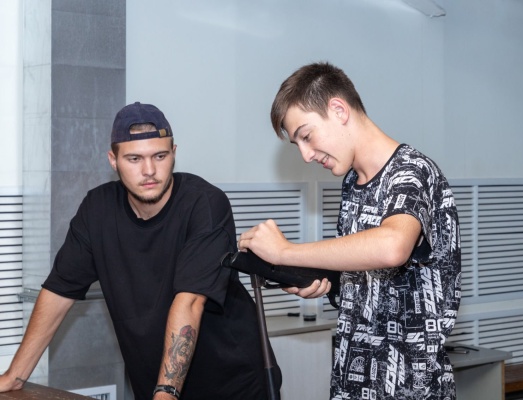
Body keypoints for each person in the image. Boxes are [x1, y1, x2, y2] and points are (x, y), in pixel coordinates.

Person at [0, 102, 281, 400]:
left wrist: (166, 393)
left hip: (233, 384)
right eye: (134, 159)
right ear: (113, 160)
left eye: (159, 156)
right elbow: (58, 292)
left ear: (174, 153)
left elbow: (190, 301)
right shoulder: (97, 210)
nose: (149, 171)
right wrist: (14, 375)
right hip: (156, 385)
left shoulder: (204, 204)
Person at [238, 62, 461, 400]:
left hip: (409, 388)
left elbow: (392, 247)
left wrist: (286, 251)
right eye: (298, 144)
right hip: (353, 381)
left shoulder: (412, 172)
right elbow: (375, 277)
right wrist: (322, 281)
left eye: (306, 136)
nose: (306, 155)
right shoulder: (352, 183)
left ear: (339, 110)